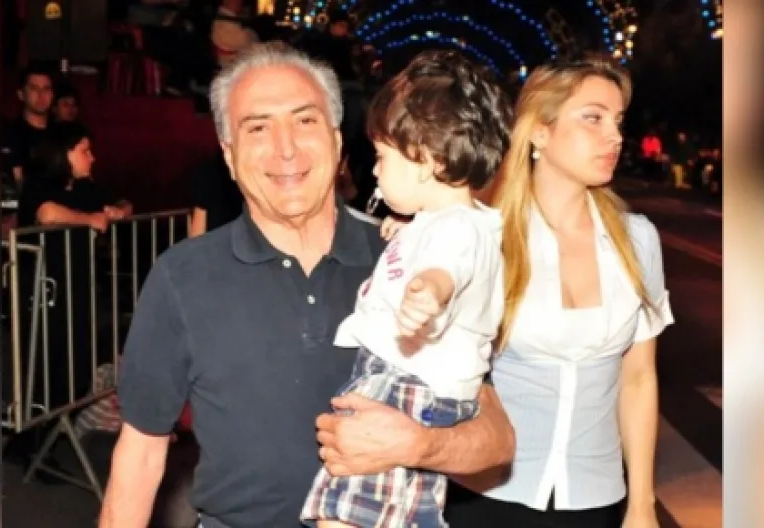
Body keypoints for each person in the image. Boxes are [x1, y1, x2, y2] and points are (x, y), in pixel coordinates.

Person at [99, 42, 514, 528]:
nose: (286, 148)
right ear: (229, 156)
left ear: (338, 143)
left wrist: (420, 445)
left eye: (305, 120)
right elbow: (140, 454)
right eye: (258, 127)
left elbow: (497, 445)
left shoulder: (408, 260)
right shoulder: (182, 277)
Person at [442, 56, 675, 527]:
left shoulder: (637, 241)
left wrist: (642, 504)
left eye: (617, 121)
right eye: (593, 118)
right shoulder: (487, 236)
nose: (614, 136)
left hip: (595, 500)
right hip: (486, 494)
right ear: (539, 132)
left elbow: (637, 379)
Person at [298, 50, 511, 528]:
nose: (374, 171)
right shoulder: (445, 222)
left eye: (382, 157)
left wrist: (428, 291)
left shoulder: (457, 230)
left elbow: (448, 269)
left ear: (424, 161)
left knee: (345, 513)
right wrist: (410, 229)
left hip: (404, 386)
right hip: (412, 384)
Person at [18, 122, 132, 230]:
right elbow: (47, 214)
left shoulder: (85, 185)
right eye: (85, 151)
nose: (92, 158)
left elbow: (124, 203)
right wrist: (89, 219)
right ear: (64, 154)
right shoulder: (37, 183)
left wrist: (120, 211)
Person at [2, 65, 55, 186]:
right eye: (34, 89)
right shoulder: (8, 134)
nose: (41, 95)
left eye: (46, 89)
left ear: (52, 95)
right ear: (21, 94)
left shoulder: (63, 134)